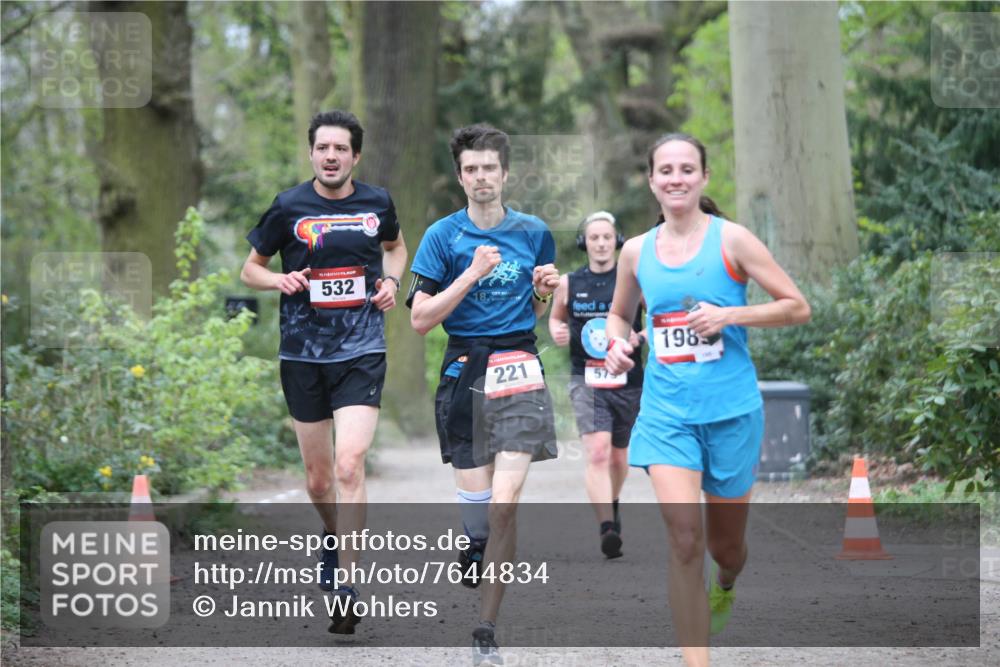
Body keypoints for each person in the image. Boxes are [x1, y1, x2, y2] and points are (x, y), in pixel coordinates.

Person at [603, 132, 810, 666]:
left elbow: (795, 306)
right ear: (651, 180)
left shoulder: (732, 241)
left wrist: (730, 315)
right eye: (665, 170)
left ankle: (728, 581)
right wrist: (617, 344)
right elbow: (620, 314)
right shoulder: (635, 251)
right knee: (685, 539)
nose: (676, 178)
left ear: (703, 178)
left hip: (732, 413)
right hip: (667, 414)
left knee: (725, 549)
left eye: (686, 169)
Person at [240, 109, 407, 635]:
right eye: (322, 148)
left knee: (349, 466)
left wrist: (392, 283)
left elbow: (395, 248)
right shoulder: (289, 206)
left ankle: (348, 585)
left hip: (361, 350)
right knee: (317, 480)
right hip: (302, 354)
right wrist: (279, 282)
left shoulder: (377, 202)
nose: (331, 156)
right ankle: (335, 542)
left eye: (341, 148)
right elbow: (250, 268)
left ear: (355, 156)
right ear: (311, 153)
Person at [407, 123, 559, 666]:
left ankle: (486, 629)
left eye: (489, 168)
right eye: (470, 169)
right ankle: (472, 545)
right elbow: (420, 319)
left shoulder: (535, 231)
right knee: (478, 513)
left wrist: (544, 292)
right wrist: (470, 274)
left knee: (505, 505)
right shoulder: (441, 237)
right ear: (459, 176)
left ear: (505, 173)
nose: (481, 178)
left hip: (519, 364)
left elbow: (538, 308)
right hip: (464, 368)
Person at [548, 210, 644, 559]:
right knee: (598, 451)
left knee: (619, 456)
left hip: (629, 379)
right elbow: (556, 318)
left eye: (607, 237)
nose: (601, 243)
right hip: (586, 379)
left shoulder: (633, 279)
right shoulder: (569, 283)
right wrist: (556, 330)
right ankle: (607, 526)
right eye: (594, 238)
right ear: (584, 243)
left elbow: (657, 318)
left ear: (616, 241)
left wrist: (640, 334)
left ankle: (612, 503)